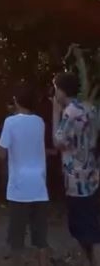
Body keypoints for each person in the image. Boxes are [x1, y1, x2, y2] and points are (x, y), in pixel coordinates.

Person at [0, 84, 48, 266]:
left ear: (16, 101)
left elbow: (1, 152)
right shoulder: (40, 122)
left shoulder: (10, 122)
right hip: (39, 187)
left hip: (19, 187)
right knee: (40, 237)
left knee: (16, 238)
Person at [53, 71, 100, 265]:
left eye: (56, 88)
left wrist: (55, 113)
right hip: (92, 174)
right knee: (89, 225)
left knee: (86, 229)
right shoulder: (91, 109)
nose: (55, 93)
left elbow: (58, 141)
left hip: (76, 179)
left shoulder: (69, 111)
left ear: (62, 91)